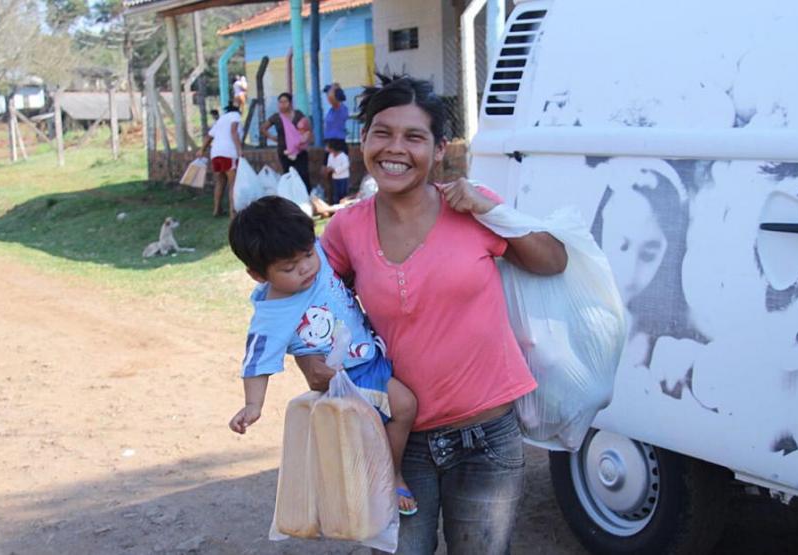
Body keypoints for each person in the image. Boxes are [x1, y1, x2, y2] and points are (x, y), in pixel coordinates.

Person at [294, 75, 568, 554]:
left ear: (439, 149)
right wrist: (310, 362)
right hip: (397, 442)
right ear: (364, 140)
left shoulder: (472, 209)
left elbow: (553, 261)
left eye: (414, 137)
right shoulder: (346, 229)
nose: (395, 148)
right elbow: (304, 300)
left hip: (487, 437)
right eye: (382, 132)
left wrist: (491, 211)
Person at [227, 196, 420, 515]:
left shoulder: (314, 253)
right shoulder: (272, 315)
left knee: (384, 421)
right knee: (404, 406)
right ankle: (392, 474)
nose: (305, 268)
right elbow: (256, 362)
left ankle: (382, 476)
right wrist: (253, 405)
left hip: (372, 357)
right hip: (345, 376)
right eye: (289, 268)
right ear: (258, 275)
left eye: (306, 255)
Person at [260, 92, 312, 193]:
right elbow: (263, 128)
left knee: (303, 174)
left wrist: (305, 138)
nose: (283, 104)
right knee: (288, 175)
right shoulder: (276, 117)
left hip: (299, 150)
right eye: (280, 102)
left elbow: (307, 128)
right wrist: (272, 137)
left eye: (285, 102)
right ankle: (291, 198)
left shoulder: (298, 114)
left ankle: (306, 197)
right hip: (284, 151)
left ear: (290, 103)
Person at [199, 102, 243, 218]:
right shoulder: (235, 116)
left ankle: (216, 209)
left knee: (220, 180)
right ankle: (232, 212)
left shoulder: (221, 119)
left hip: (216, 154)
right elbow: (234, 131)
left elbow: (209, 136)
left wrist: (201, 150)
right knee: (233, 182)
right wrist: (239, 149)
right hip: (229, 152)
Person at [323, 138, 351, 204]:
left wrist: (334, 170)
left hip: (343, 178)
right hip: (335, 178)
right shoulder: (330, 155)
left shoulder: (343, 156)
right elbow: (329, 164)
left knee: (343, 194)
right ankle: (336, 206)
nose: (326, 148)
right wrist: (328, 169)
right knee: (336, 194)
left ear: (332, 147)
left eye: (327, 146)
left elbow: (346, 165)